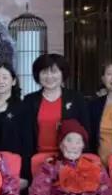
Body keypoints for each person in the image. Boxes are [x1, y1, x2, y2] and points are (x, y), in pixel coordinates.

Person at [17, 53, 89, 181]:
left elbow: (86, 132)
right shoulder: (29, 100)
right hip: (38, 160)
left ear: (62, 74)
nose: (49, 76)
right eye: (44, 72)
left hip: (70, 159)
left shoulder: (76, 98)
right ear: (38, 75)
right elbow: (25, 137)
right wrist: (25, 172)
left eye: (54, 72)